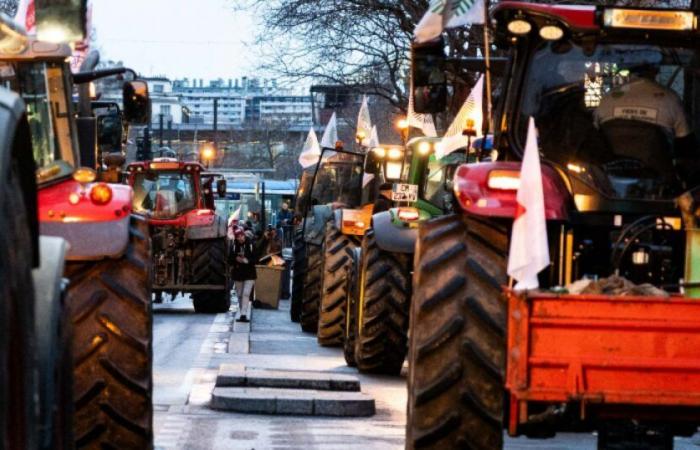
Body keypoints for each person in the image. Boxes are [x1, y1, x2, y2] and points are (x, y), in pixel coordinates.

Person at [230, 228, 257, 322]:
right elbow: (229, 258)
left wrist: (247, 261)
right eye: (238, 237)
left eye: (241, 236)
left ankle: (244, 314)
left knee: (246, 294)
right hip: (238, 274)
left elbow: (256, 258)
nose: (240, 238)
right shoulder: (234, 245)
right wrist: (235, 259)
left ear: (244, 235)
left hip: (250, 273)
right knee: (240, 295)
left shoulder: (251, 244)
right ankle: (242, 312)